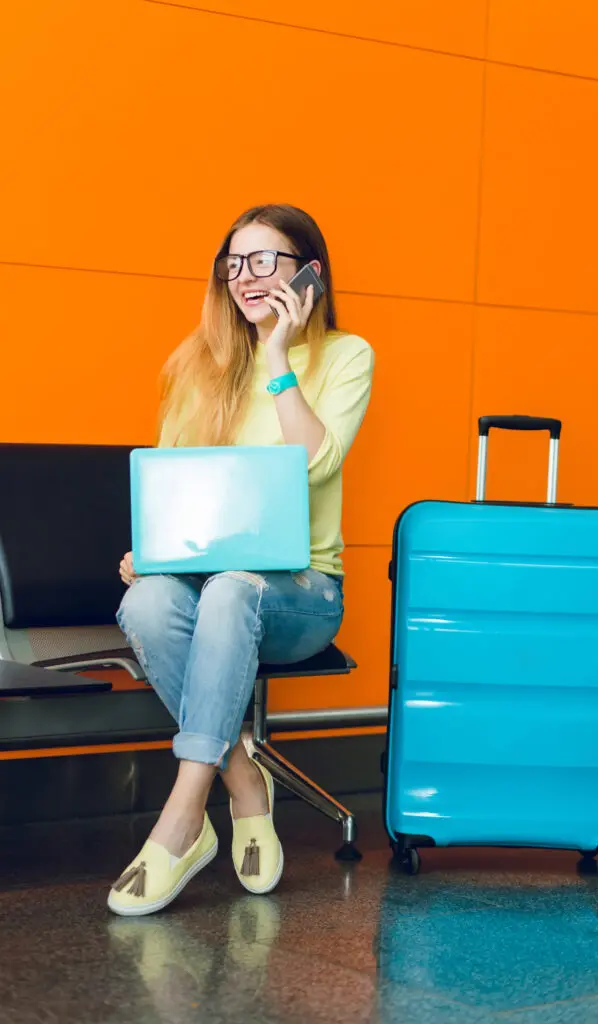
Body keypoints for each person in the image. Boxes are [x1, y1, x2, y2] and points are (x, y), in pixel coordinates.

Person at [108, 205, 374, 916]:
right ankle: (243, 779)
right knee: (146, 601)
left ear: (307, 273)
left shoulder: (346, 356)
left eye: (265, 260)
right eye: (235, 263)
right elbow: (171, 483)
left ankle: (181, 819)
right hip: (206, 583)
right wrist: (152, 550)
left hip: (303, 593)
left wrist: (279, 357)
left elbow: (315, 465)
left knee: (232, 587)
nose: (246, 277)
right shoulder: (195, 362)